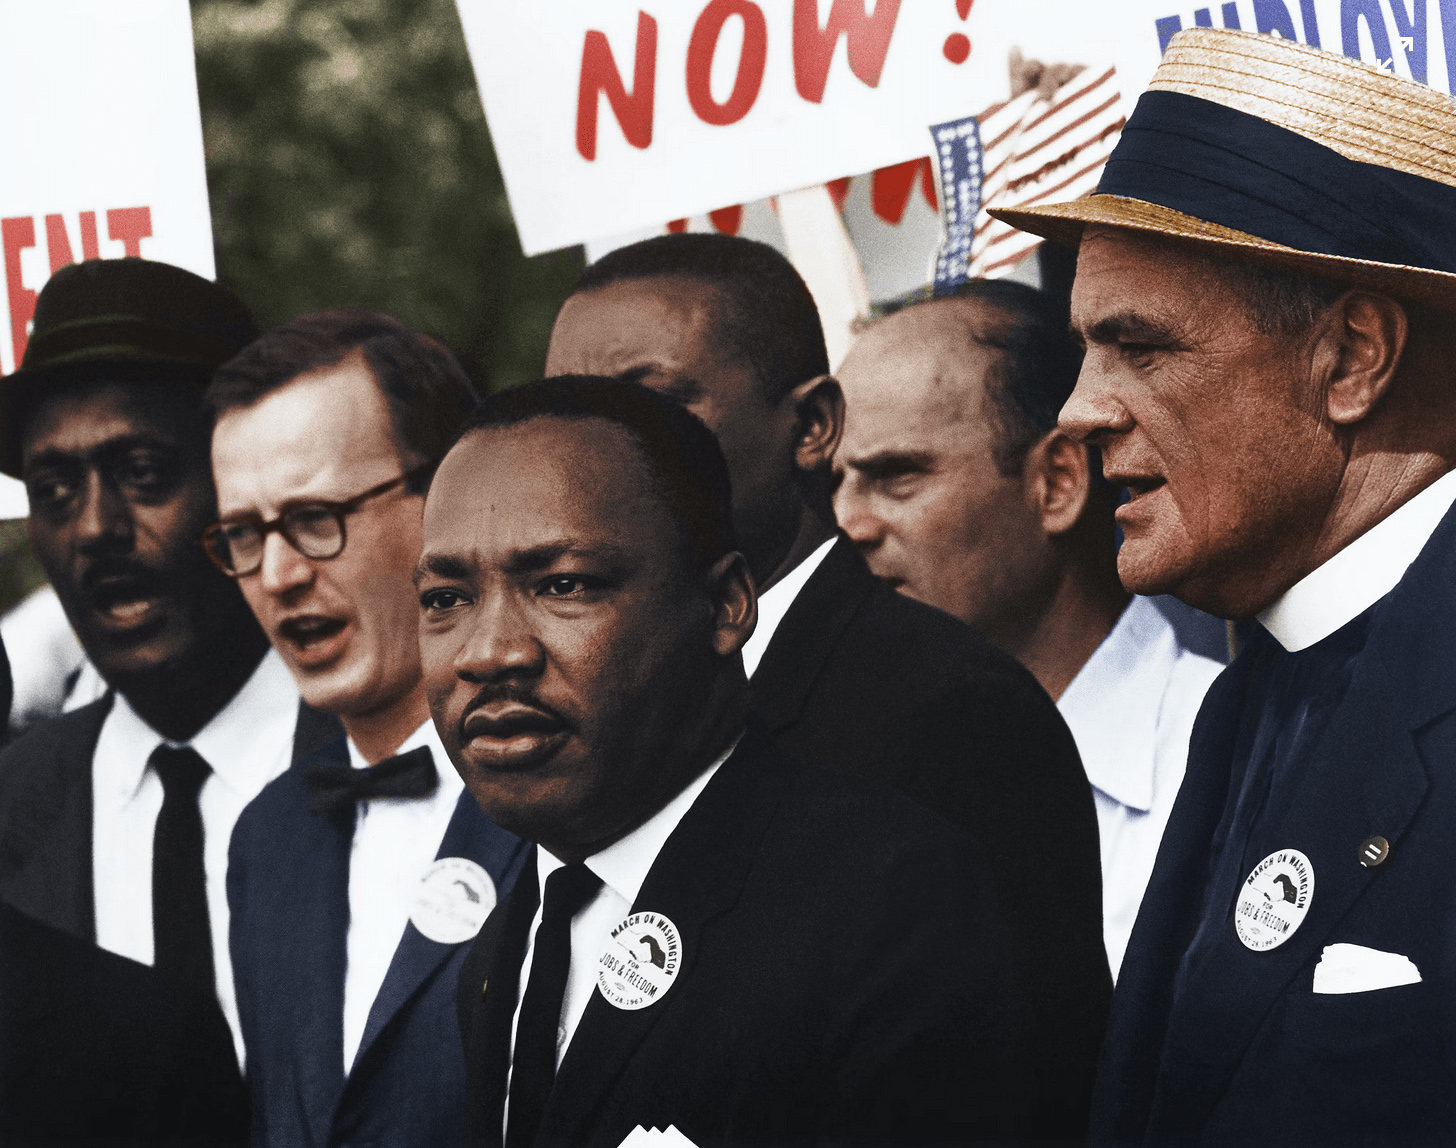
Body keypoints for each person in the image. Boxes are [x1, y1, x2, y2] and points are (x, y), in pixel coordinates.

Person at [993, 26, 1456, 1144]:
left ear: (1350, 357)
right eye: (1085, 350)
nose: (1079, 407)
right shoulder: (1254, 688)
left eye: (1139, 346)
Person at [543, 232, 1108, 1136]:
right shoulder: (585, 716)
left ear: (811, 426)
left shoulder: (953, 713)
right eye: (569, 416)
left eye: (651, 410)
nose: (590, 460)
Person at [423, 376, 1017, 1146]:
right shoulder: (506, 946)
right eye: (444, 598)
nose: (491, 652)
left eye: (563, 584)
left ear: (727, 603)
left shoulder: (891, 904)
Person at [0, 258, 335, 1144]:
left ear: (241, 487)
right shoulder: (11, 804)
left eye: (143, 472)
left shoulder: (401, 762)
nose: (96, 529)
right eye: (54, 490)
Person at [834, 279, 1223, 977]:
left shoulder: (1229, 754)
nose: (848, 523)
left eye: (895, 475)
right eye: (831, 484)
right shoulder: (835, 777)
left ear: (1058, 483)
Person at [207, 309, 529, 1148]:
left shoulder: (575, 793)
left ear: (450, 494)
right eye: (244, 535)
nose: (277, 575)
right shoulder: (267, 839)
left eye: (316, 517)